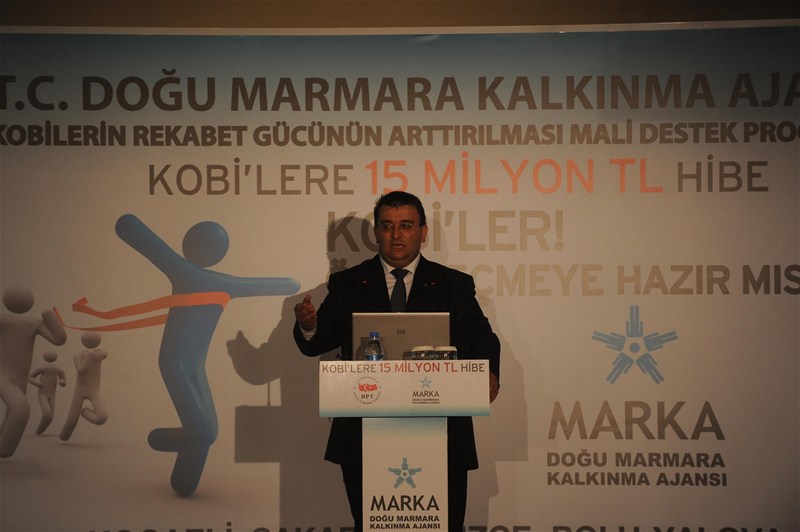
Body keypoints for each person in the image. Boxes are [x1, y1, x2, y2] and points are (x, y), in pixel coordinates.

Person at [293, 191, 500, 530]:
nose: (396, 235)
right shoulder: (348, 283)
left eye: (406, 225)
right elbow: (320, 341)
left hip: (442, 432)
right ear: (376, 232)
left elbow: (480, 336)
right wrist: (308, 325)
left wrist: (487, 370)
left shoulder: (453, 284)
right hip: (364, 432)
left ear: (423, 231)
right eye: (387, 226)